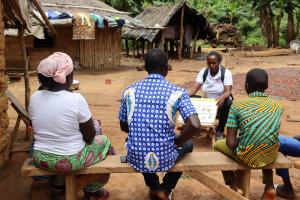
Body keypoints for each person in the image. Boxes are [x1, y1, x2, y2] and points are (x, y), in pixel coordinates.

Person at [118, 48, 202, 200]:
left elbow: (124, 127)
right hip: (165, 157)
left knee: (137, 143)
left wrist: (142, 133)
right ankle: (165, 188)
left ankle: (154, 186)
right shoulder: (177, 92)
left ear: (145, 67)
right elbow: (195, 125)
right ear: (166, 68)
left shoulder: (129, 90)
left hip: (136, 156)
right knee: (188, 144)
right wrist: (177, 141)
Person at [29, 52, 114, 200]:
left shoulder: (34, 98)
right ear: (67, 77)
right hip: (70, 160)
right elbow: (89, 137)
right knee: (105, 143)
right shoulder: (76, 99)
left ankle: (59, 183)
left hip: (40, 157)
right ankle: (92, 190)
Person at [214, 68, 282, 200]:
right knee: (263, 143)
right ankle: (269, 186)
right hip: (270, 154)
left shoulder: (237, 106)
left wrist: (244, 142)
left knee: (217, 145)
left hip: (246, 156)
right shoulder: (276, 106)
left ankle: (233, 185)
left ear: (246, 86)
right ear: (267, 86)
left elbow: (230, 143)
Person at [189, 51, 233, 139]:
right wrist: (184, 96)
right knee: (189, 100)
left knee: (228, 102)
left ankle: (220, 129)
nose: (211, 65)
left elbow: (228, 92)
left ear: (219, 62)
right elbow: (194, 90)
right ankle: (195, 127)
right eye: (209, 63)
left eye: (214, 63)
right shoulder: (204, 72)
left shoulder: (226, 73)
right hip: (206, 100)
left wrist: (222, 97)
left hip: (220, 100)